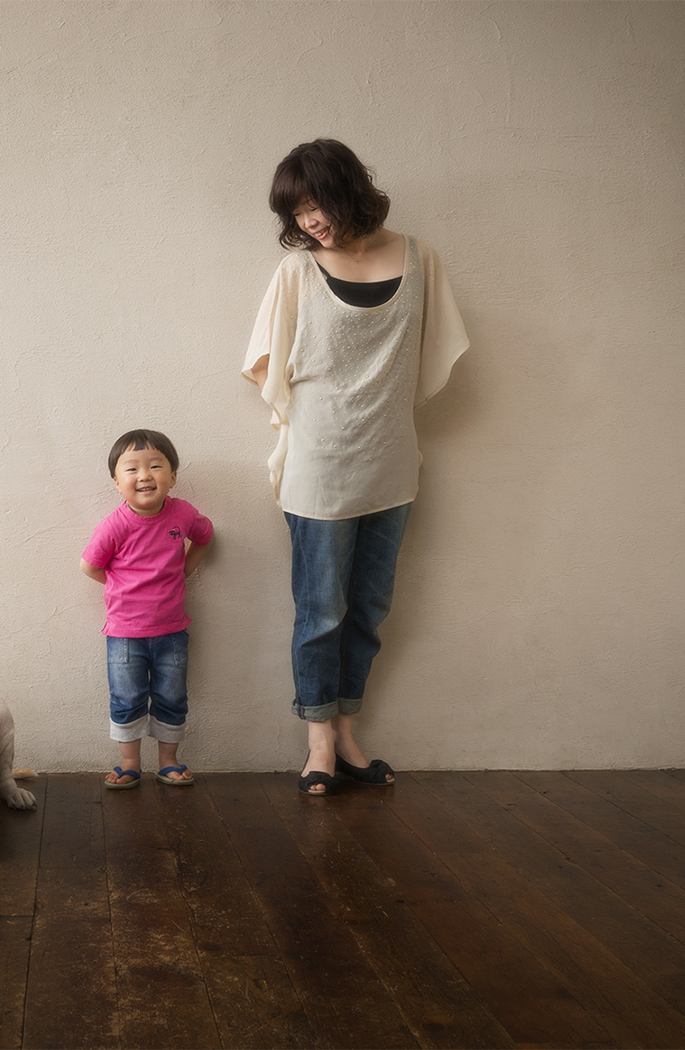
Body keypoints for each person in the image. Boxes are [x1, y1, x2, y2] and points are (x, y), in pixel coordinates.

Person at [243, 139, 469, 795]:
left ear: (348, 189)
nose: (309, 221)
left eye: (315, 203)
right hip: (319, 465)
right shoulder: (297, 271)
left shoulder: (420, 257)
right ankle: (318, 743)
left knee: (368, 608)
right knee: (321, 612)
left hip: (391, 461)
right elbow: (264, 362)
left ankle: (346, 734)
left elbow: (433, 354)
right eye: (297, 212)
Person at [81, 429, 214, 789]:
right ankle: (129, 763)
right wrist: (119, 586)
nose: (144, 475)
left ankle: (168, 761)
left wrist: (185, 570)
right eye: (132, 469)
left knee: (172, 697)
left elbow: (205, 536)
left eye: (155, 466)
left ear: (173, 476)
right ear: (116, 482)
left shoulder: (182, 514)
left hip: (172, 632)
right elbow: (90, 566)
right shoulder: (114, 526)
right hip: (124, 635)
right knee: (127, 698)